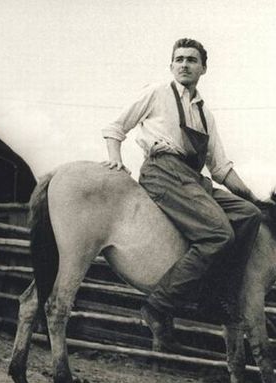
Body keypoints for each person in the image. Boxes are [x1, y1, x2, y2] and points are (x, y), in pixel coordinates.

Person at [101, 38, 264, 351]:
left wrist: (253, 197)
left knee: (249, 215)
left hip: (192, 178)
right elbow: (116, 126)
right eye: (179, 59)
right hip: (163, 173)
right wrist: (115, 158)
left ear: (204, 68)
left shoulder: (205, 115)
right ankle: (158, 305)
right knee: (218, 234)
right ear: (171, 65)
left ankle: (218, 297)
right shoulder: (157, 93)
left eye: (192, 60)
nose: (184, 65)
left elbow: (221, 169)